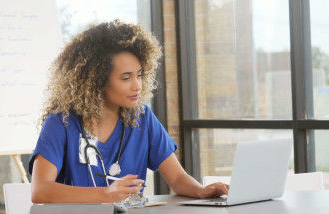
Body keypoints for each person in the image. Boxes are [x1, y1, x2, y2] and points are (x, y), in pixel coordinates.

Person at [29, 19, 229, 203]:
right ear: (97, 81)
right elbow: (40, 190)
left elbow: (177, 178)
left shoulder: (142, 117)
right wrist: (106, 194)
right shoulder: (61, 123)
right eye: (126, 78)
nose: (137, 86)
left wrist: (201, 190)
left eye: (139, 75)